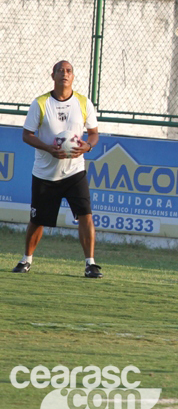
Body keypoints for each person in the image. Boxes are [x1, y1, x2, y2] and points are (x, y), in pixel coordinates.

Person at [12, 60, 102, 278]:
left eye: (69, 71)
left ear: (73, 76)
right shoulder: (41, 103)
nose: (65, 74)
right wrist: (48, 149)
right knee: (37, 220)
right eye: (60, 70)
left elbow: (94, 133)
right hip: (45, 173)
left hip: (74, 171)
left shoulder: (83, 102)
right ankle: (26, 260)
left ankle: (90, 264)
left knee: (86, 215)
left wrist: (87, 147)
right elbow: (26, 135)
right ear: (52, 76)